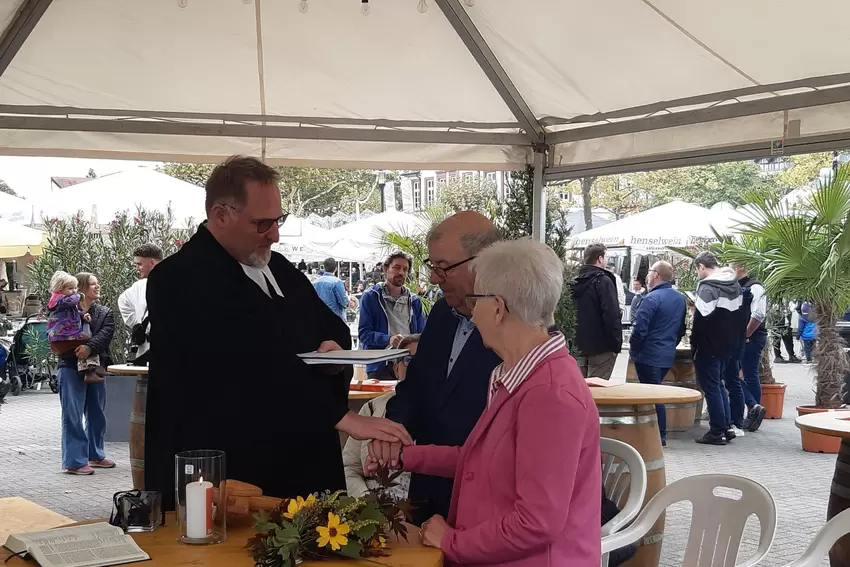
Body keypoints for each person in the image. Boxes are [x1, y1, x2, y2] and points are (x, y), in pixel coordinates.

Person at [143, 156, 411, 511]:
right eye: (262, 223)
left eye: (277, 220)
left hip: (301, 459)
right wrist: (342, 417)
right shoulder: (179, 278)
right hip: (234, 469)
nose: (275, 234)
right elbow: (239, 360)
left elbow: (328, 325)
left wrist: (332, 353)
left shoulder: (278, 267)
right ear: (221, 215)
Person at [369, 239, 601, 566]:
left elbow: (537, 522)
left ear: (496, 307)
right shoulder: (519, 374)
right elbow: (481, 461)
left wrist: (451, 540)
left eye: (474, 301)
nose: (470, 313)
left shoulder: (550, 393)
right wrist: (404, 456)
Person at [385, 211, 502, 525]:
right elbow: (415, 386)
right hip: (427, 492)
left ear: (484, 262)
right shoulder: (442, 311)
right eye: (431, 265)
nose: (435, 278)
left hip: (487, 505)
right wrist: (393, 429)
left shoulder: (518, 330)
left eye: (443, 267)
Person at [343, 339, 419, 500]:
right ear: (396, 369)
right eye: (408, 359)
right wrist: (366, 502)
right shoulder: (371, 407)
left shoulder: (446, 415)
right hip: (367, 507)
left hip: (419, 513)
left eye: (423, 359)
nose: (416, 366)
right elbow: (349, 467)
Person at [57, 272, 116, 475]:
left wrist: (88, 348)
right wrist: (75, 348)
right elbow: (56, 334)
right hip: (70, 365)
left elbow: (105, 335)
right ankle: (74, 461)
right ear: (81, 288)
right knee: (72, 414)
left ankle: (95, 455)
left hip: (96, 366)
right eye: (92, 284)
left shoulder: (104, 312)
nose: (97, 287)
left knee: (97, 412)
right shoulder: (64, 309)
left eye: (98, 283)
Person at [629, 261, 686, 446]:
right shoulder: (679, 298)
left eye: (650, 271)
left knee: (652, 395)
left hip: (648, 354)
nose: (647, 275)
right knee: (655, 389)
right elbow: (681, 329)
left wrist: (635, 349)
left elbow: (640, 328)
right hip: (665, 353)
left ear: (656, 275)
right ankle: (656, 433)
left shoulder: (652, 299)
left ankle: (658, 435)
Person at [691, 253, 744, 446]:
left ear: (702, 267)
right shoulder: (734, 283)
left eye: (698, 269)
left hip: (709, 344)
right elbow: (740, 316)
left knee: (711, 387)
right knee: (719, 384)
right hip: (728, 344)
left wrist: (694, 343)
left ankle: (716, 431)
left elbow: (701, 320)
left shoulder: (707, 287)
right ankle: (727, 426)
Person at [358, 251, 426, 379]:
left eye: (405, 269)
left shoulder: (414, 301)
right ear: (385, 269)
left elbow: (422, 335)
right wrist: (388, 339)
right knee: (381, 400)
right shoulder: (371, 297)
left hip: (408, 365)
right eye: (396, 267)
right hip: (380, 366)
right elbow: (364, 334)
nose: (401, 272)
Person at [572, 243, 623, 380]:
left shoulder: (573, 282)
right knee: (598, 388)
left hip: (578, 344)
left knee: (580, 387)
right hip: (602, 346)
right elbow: (611, 314)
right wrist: (616, 343)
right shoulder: (603, 281)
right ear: (600, 258)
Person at [46, 271, 103, 385]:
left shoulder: (65, 302)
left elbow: (75, 311)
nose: (74, 291)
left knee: (85, 344)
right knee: (88, 341)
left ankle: (89, 369)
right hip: (64, 333)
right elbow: (71, 301)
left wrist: (83, 315)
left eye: (76, 288)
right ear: (60, 289)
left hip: (66, 332)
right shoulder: (59, 299)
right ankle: (91, 368)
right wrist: (80, 295)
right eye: (71, 288)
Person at [732, 263, 768, 432]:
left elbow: (759, 314)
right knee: (736, 373)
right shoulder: (739, 286)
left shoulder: (755, 287)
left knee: (748, 374)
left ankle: (754, 411)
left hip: (751, 338)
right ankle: (753, 410)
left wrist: (745, 335)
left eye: (731, 266)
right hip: (742, 337)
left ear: (740, 267)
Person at [117, 243, 163, 364]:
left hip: (167, 349)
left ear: (152, 263)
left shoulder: (175, 283)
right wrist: (137, 324)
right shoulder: (139, 286)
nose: (137, 268)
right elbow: (123, 301)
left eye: (140, 264)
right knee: (143, 383)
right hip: (145, 347)